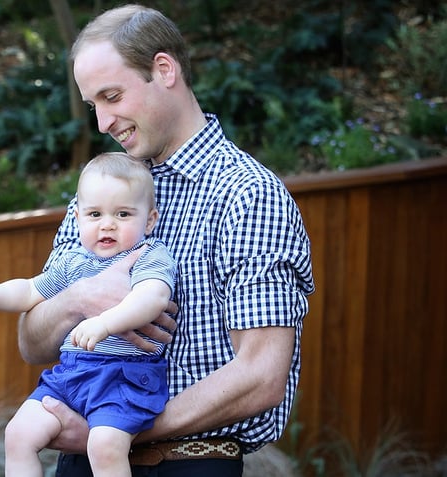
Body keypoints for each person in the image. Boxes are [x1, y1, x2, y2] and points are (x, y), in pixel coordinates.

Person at [17, 5, 315, 477]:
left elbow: (261, 376)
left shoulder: (247, 194)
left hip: (188, 464)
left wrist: (120, 429)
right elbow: (32, 343)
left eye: (112, 96)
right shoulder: (103, 194)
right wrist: (78, 298)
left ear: (164, 69)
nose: (101, 122)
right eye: (93, 105)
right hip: (81, 462)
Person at [0, 152, 177, 477]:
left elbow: (153, 297)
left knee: (103, 445)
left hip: (123, 376)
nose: (107, 224)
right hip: (71, 375)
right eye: (95, 214)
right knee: (19, 434)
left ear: (149, 220)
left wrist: (105, 323)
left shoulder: (147, 255)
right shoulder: (75, 260)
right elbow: (31, 290)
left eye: (123, 214)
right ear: (77, 218)